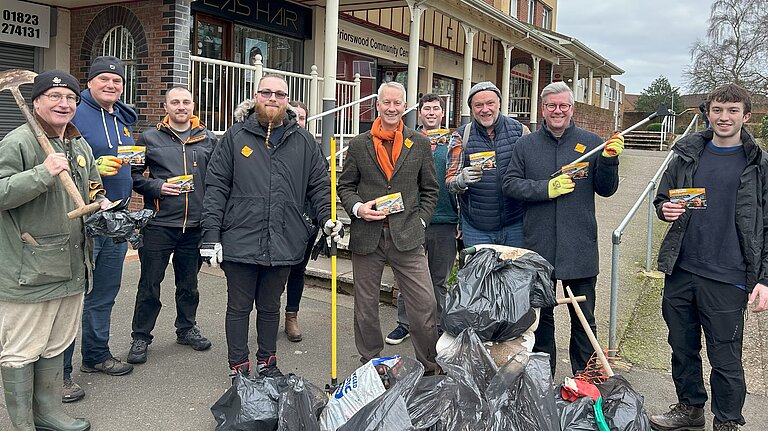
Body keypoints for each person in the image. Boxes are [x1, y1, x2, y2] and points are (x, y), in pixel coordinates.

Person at [201, 75, 341, 378]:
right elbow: (215, 188)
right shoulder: (234, 137)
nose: (273, 99)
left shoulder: (304, 141)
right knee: (238, 306)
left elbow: (319, 186)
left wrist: (326, 217)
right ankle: (238, 366)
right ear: (256, 96)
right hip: (240, 237)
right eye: (267, 93)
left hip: (284, 239)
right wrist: (211, 235)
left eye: (280, 94)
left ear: (287, 100)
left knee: (269, 306)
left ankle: (268, 363)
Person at [649, 84, 768, 431]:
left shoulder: (759, 165)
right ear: (708, 113)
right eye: (718, 110)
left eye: (732, 111)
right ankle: (690, 408)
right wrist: (664, 209)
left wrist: (763, 279)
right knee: (682, 348)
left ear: (746, 116)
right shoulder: (688, 153)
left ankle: (727, 421)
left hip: (729, 275)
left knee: (726, 358)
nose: (724, 117)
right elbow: (662, 198)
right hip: (682, 269)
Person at [0, 70, 111, 431]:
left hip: (73, 265)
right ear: (36, 102)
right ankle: (23, 426)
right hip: (29, 268)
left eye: (71, 99)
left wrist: (101, 201)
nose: (64, 104)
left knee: (54, 344)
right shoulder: (18, 142)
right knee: (21, 349)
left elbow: (92, 183)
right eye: (54, 97)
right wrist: (41, 173)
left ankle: (47, 414)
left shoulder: (78, 144)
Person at [502, 81, 623, 376]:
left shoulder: (591, 142)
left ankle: (585, 381)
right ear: (543, 109)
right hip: (539, 248)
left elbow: (607, 190)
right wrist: (546, 189)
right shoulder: (526, 145)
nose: (557, 111)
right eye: (551, 106)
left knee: (584, 321)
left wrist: (609, 161)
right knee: (541, 321)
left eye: (563, 106)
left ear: (571, 109)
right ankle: (542, 380)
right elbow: (510, 184)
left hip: (579, 248)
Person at [338, 82, 440, 374]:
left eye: (398, 103)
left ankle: (430, 366)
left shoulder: (418, 142)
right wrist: (358, 208)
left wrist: (420, 220)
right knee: (365, 306)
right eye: (387, 103)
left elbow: (430, 189)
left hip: (407, 235)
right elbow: (345, 185)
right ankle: (371, 363)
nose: (392, 108)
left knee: (424, 305)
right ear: (378, 105)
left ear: (405, 106)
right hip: (368, 236)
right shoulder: (359, 144)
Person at [63, 56, 137, 400]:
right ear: (89, 82)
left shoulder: (120, 116)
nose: (111, 85)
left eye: (117, 81)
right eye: (104, 79)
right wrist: (93, 164)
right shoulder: (73, 111)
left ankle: (95, 356)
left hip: (116, 221)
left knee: (104, 294)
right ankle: (60, 374)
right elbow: (56, 159)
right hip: (84, 220)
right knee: (72, 299)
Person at [126, 86, 217, 365]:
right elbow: (133, 175)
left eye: (186, 102)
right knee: (149, 284)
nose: (181, 106)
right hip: (159, 224)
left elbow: (219, 179)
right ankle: (141, 336)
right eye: (175, 102)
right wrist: (157, 186)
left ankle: (186, 328)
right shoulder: (148, 138)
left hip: (194, 227)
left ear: (192, 106)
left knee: (189, 284)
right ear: (165, 107)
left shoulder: (208, 139)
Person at [385, 93, 459, 345]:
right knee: (407, 276)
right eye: (426, 109)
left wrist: (460, 220)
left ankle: (437, 325)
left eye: (435, 109)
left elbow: (457, 178)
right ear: (419, 113)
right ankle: (405, 324)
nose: (430, 113)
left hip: (445, 220)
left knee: (439, 278)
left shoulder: (453, 140)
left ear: (442, 113)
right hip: (411, 219)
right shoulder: (407, 140)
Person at [445, 82, 529, 248]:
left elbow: (532, 174)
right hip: (477, 228)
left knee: (515, 273)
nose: (485, 109)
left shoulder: (521, 131)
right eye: (478, 105)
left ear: (499, 103)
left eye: (490, 103)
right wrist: (461, 180)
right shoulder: (461, 136)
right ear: (471, 108)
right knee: (479, 274)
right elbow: (450, 183)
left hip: (515, 224)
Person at [282, 100, 316, 342]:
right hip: (280, 219)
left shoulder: (310, 145)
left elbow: (320, 185)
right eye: (292, 115)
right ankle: (270, 315)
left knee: (297, 270)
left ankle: (291, 316)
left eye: (301, 117)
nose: (297, 120)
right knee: (274, 272)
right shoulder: (273, 143)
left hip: (305, 222)